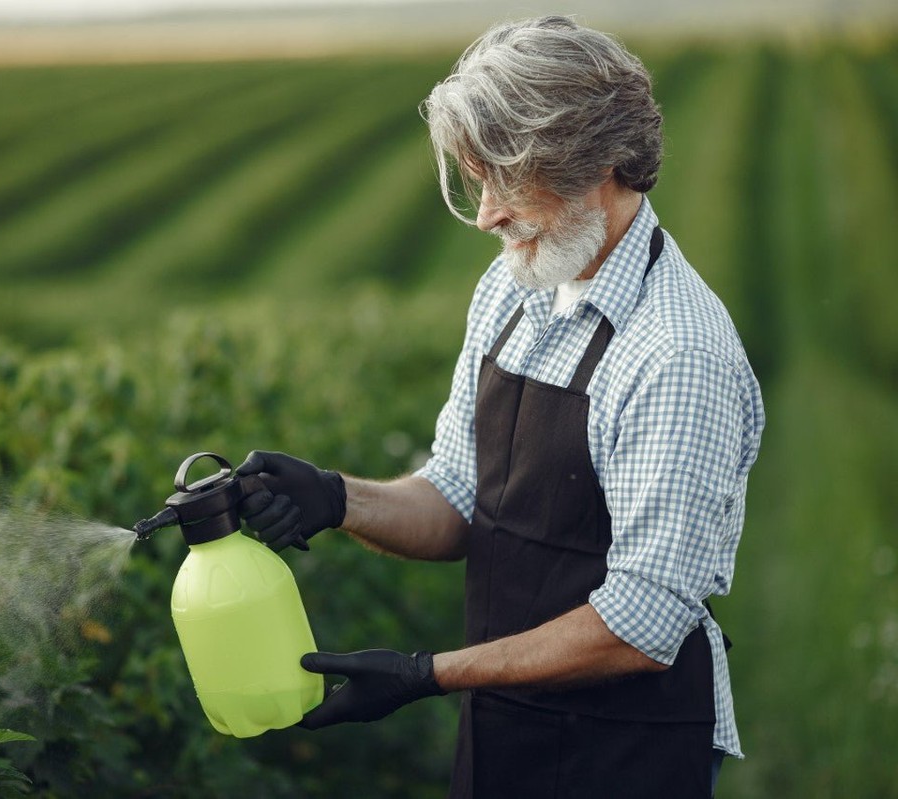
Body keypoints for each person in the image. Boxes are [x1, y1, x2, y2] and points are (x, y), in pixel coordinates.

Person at [235, 15, 766, 799]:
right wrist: (335, 496)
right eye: (479, 180)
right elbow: (460, 495)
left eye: (508, 181)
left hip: (626, 750)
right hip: (506, 722)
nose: (487, 214)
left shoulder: (675, 352)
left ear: (599, 160)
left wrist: (425, 673)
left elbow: (642, 624)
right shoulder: (514, 291)